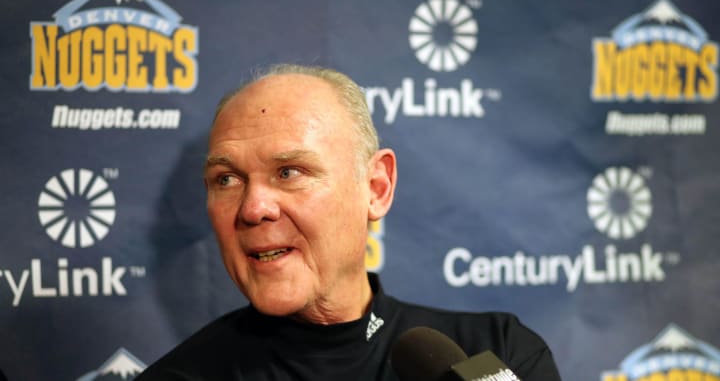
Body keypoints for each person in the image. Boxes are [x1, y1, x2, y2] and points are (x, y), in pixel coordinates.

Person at [137, 64, 561, 380]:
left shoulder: (498, 350)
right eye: (226, 179)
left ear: (376, 188)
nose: (253, 208)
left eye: (289, 172)